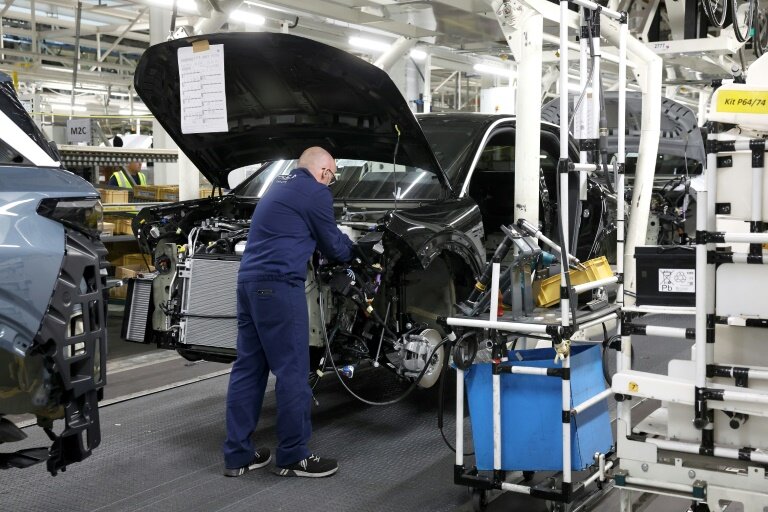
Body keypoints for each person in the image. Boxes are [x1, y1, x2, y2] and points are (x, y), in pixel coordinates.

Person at [222, 146, 353, 478]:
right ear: (324, 172)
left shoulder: (277, 185)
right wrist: (359, 248)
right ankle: (294, 455)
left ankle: (238, 456)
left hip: (248, 284)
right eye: (332, 176)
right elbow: (334, 246)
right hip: (278, 287)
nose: (331, 182)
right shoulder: (314, 193)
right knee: (293, 371)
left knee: (248, 369)